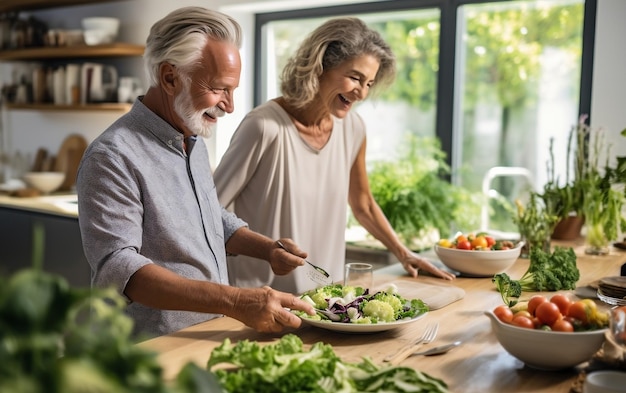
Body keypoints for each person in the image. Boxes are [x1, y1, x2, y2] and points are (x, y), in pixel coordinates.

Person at [76, 6, 314, 338]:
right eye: (219, 89)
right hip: (147, 349)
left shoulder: (193, 138)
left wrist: (268, 249)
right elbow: (120, 269)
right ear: (170, 77)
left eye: (233, 90)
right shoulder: (112, 155)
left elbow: (207, 216)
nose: (230, 105)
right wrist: (235, 300)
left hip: (206, 333)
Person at [213, 17, 456, 295]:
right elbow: (208, 209)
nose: (362, 93)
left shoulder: (352, 128)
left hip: (326, 300)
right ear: (319, 67)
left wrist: (404, 253)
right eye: (355, 77)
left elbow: (362, 203)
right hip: (260, 300)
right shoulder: (264, 126)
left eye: (369, 83)